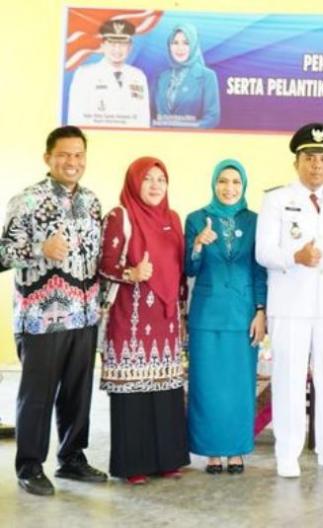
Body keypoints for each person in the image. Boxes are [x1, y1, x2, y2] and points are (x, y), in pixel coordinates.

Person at [0, 126, 107, 496]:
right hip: (41, 318)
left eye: (78, 155)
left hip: (84, 315)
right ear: (48, 158)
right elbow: (2, 254)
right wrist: (39, 249)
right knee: (38, 395)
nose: (72, 162)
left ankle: (72, 458)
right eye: (64, 155)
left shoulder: (92, 202)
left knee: (78, 392)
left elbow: (98, 258)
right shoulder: (25, 201)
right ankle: (29, 465)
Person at [256, 123, 323, 478]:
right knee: (288, 378)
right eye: (309, 158)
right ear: (296, 162)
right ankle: (288, 453)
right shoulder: (276, 199)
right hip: (290, 304)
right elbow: (264, 252)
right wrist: (294, 256)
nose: (316, 165)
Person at [99, 157, 189, 484]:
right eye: (147, 179)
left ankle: (167, 459)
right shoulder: (120, 216)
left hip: (165, 322)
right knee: (132, 395)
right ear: (134, 182)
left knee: (165, 393)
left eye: (160, 179)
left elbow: (179, 272)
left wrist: (181, 314)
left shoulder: (173, 218)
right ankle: (133, 464)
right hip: (130, 320)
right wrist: (132, 273)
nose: (154, 185)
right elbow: (104, 265)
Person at [185, 159, 266, 474]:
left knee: (240, 386)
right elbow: (189, 268)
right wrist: (197, 245)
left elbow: (260, 271)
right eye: (223, 181)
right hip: (206, 315)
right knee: (207, 385)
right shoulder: (196, 219)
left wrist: (261, 310)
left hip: (243, 315)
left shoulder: (257, 221)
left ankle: (236, 451)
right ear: (213, 184)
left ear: (243, 185)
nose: (229, 187)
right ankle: (211, 453)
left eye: (235, 181)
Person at [67, 19, 150, 128]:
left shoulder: (138, 76)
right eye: (112, 43)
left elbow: (143, 119)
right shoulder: (85, 75)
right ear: (102, 45)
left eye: (122, 44)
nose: (117, 49)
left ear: (130, 47)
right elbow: (76, 120)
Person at [153, 23, 220, 128]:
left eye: (186, 43)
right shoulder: (161, 77)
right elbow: (150, 113)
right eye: (175, 43)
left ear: (193, 45)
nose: (180, 48)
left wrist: (184, 133)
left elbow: (212, 117)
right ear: (169, 46)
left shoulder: (207, 76)